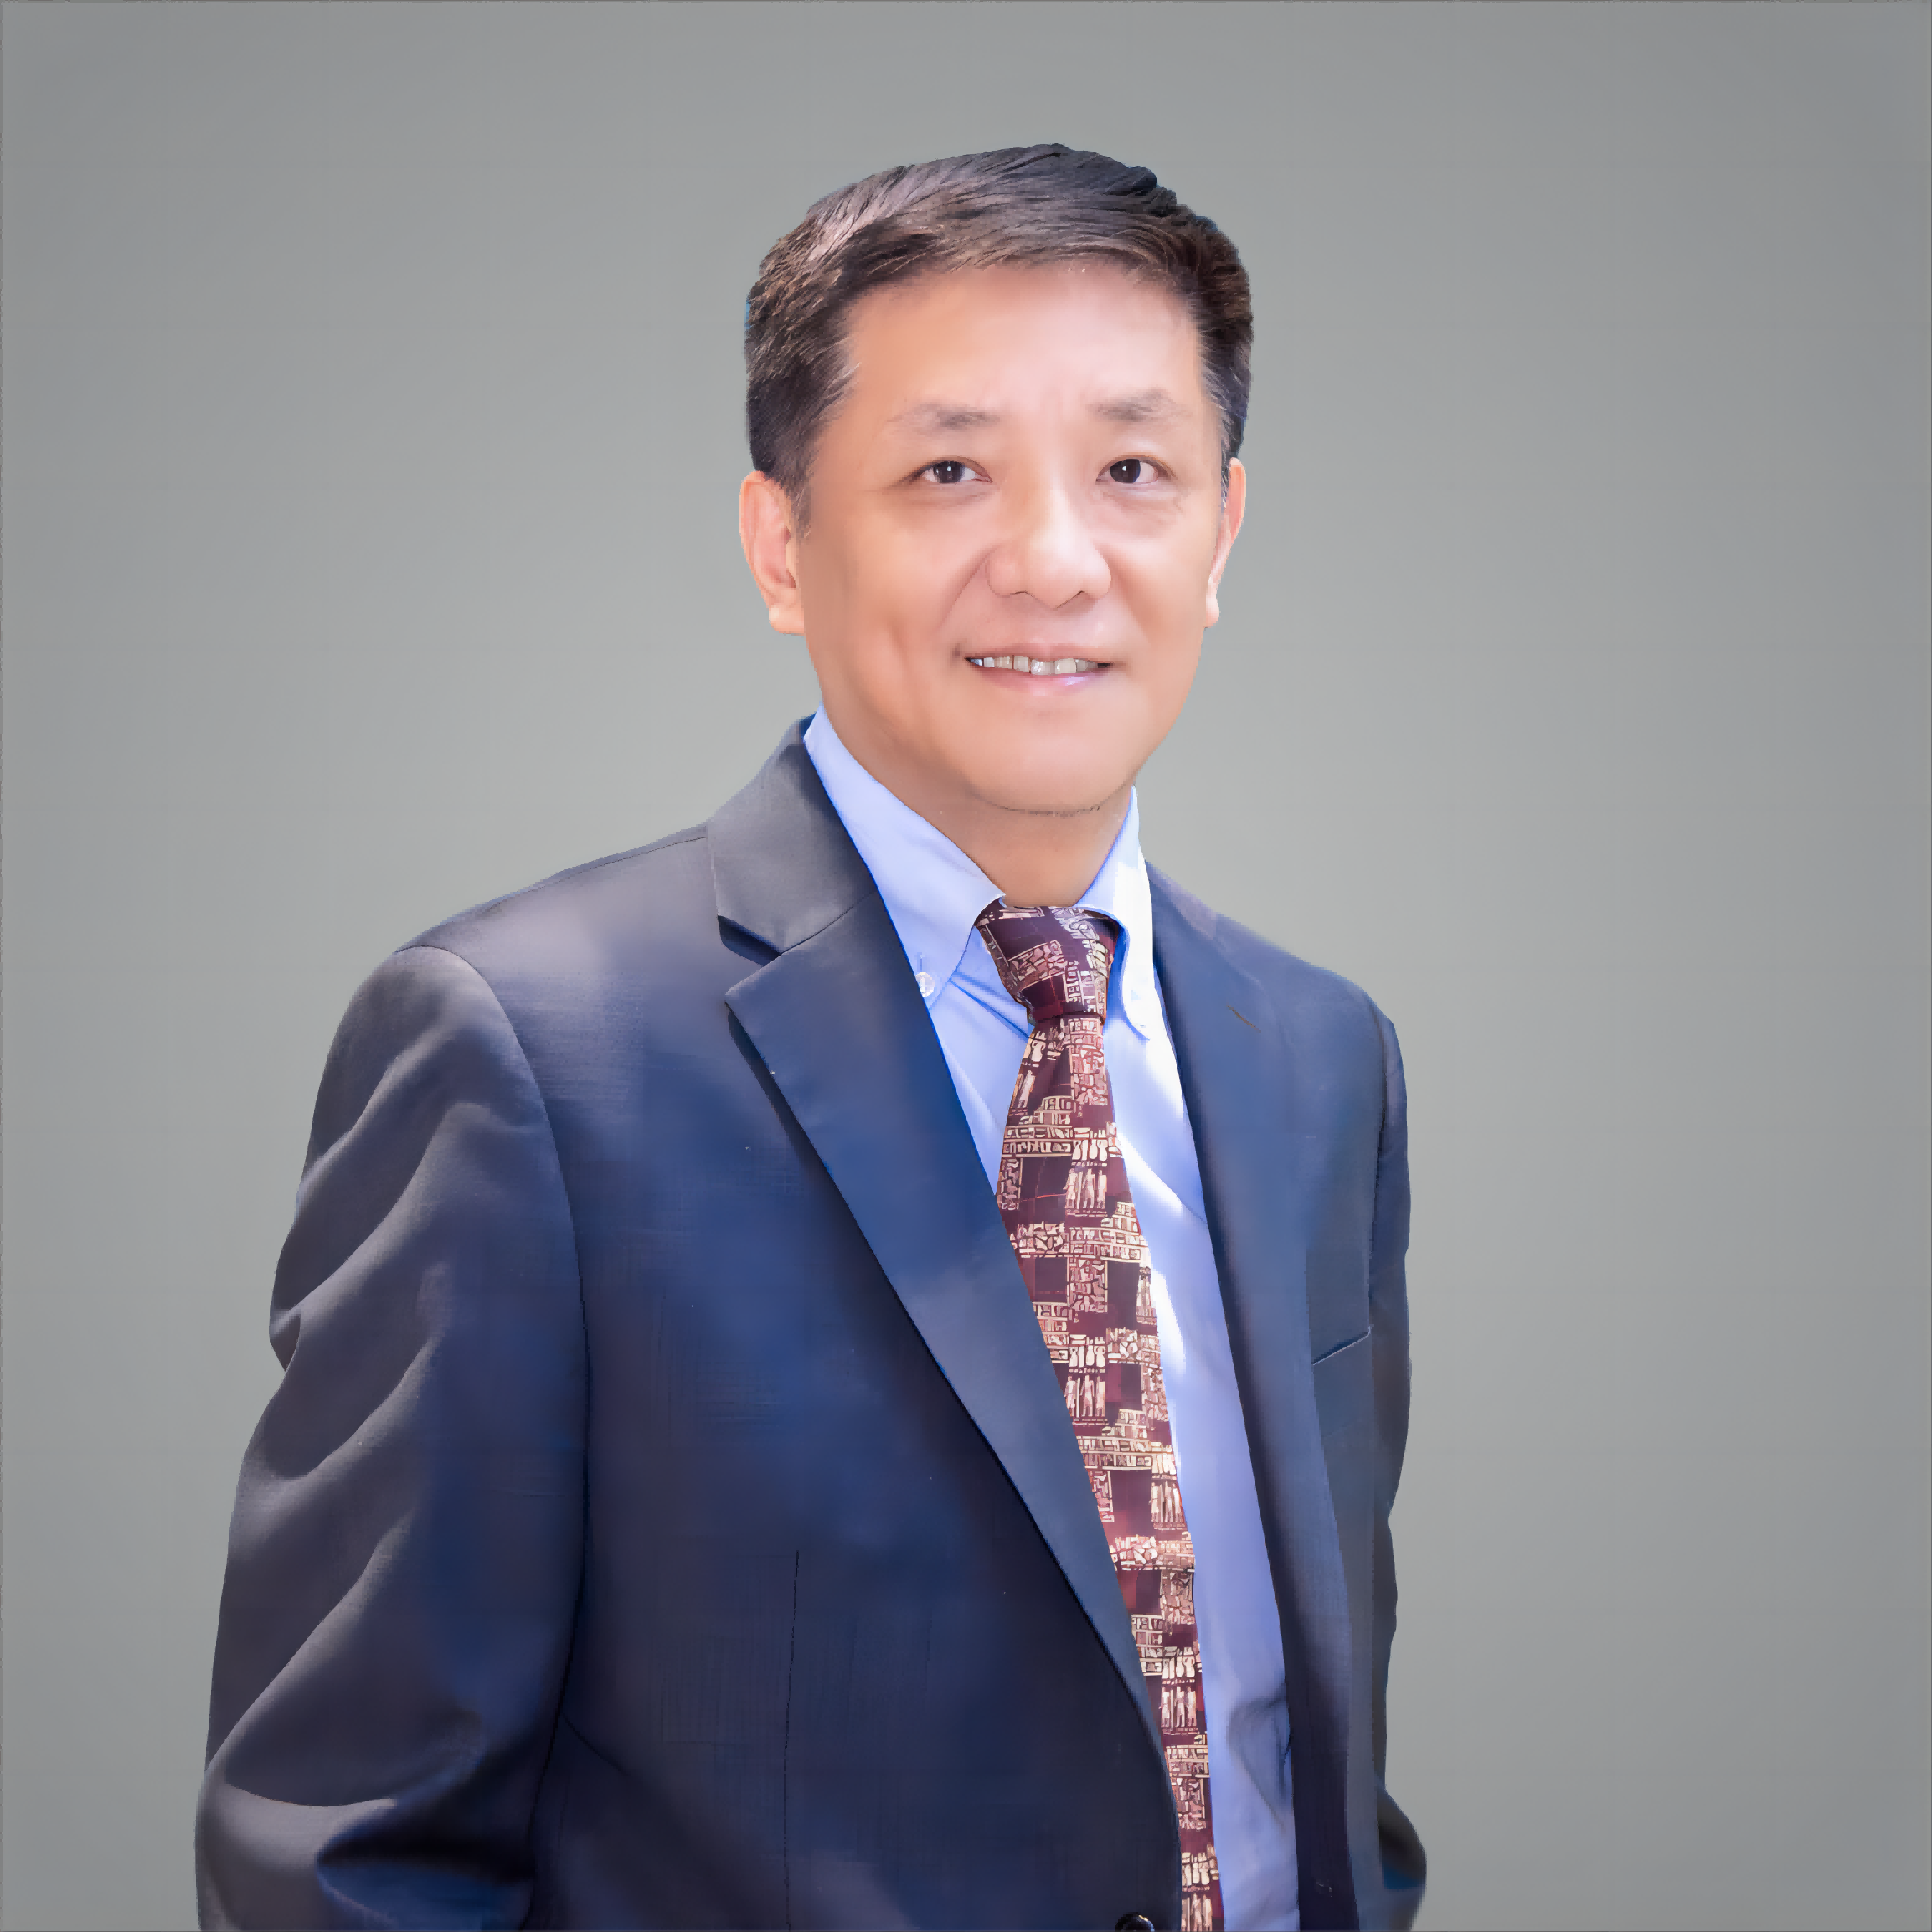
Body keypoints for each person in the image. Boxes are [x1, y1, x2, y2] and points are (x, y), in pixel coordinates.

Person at [196, 144, 1425, 1932]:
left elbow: (1304, 1747)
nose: (1055, 560)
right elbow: (345, 1854)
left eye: (1132, 471)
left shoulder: (1316, 1057)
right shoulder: (524, 1057)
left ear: (1220, 530)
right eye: (948, 471)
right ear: (782, 544)